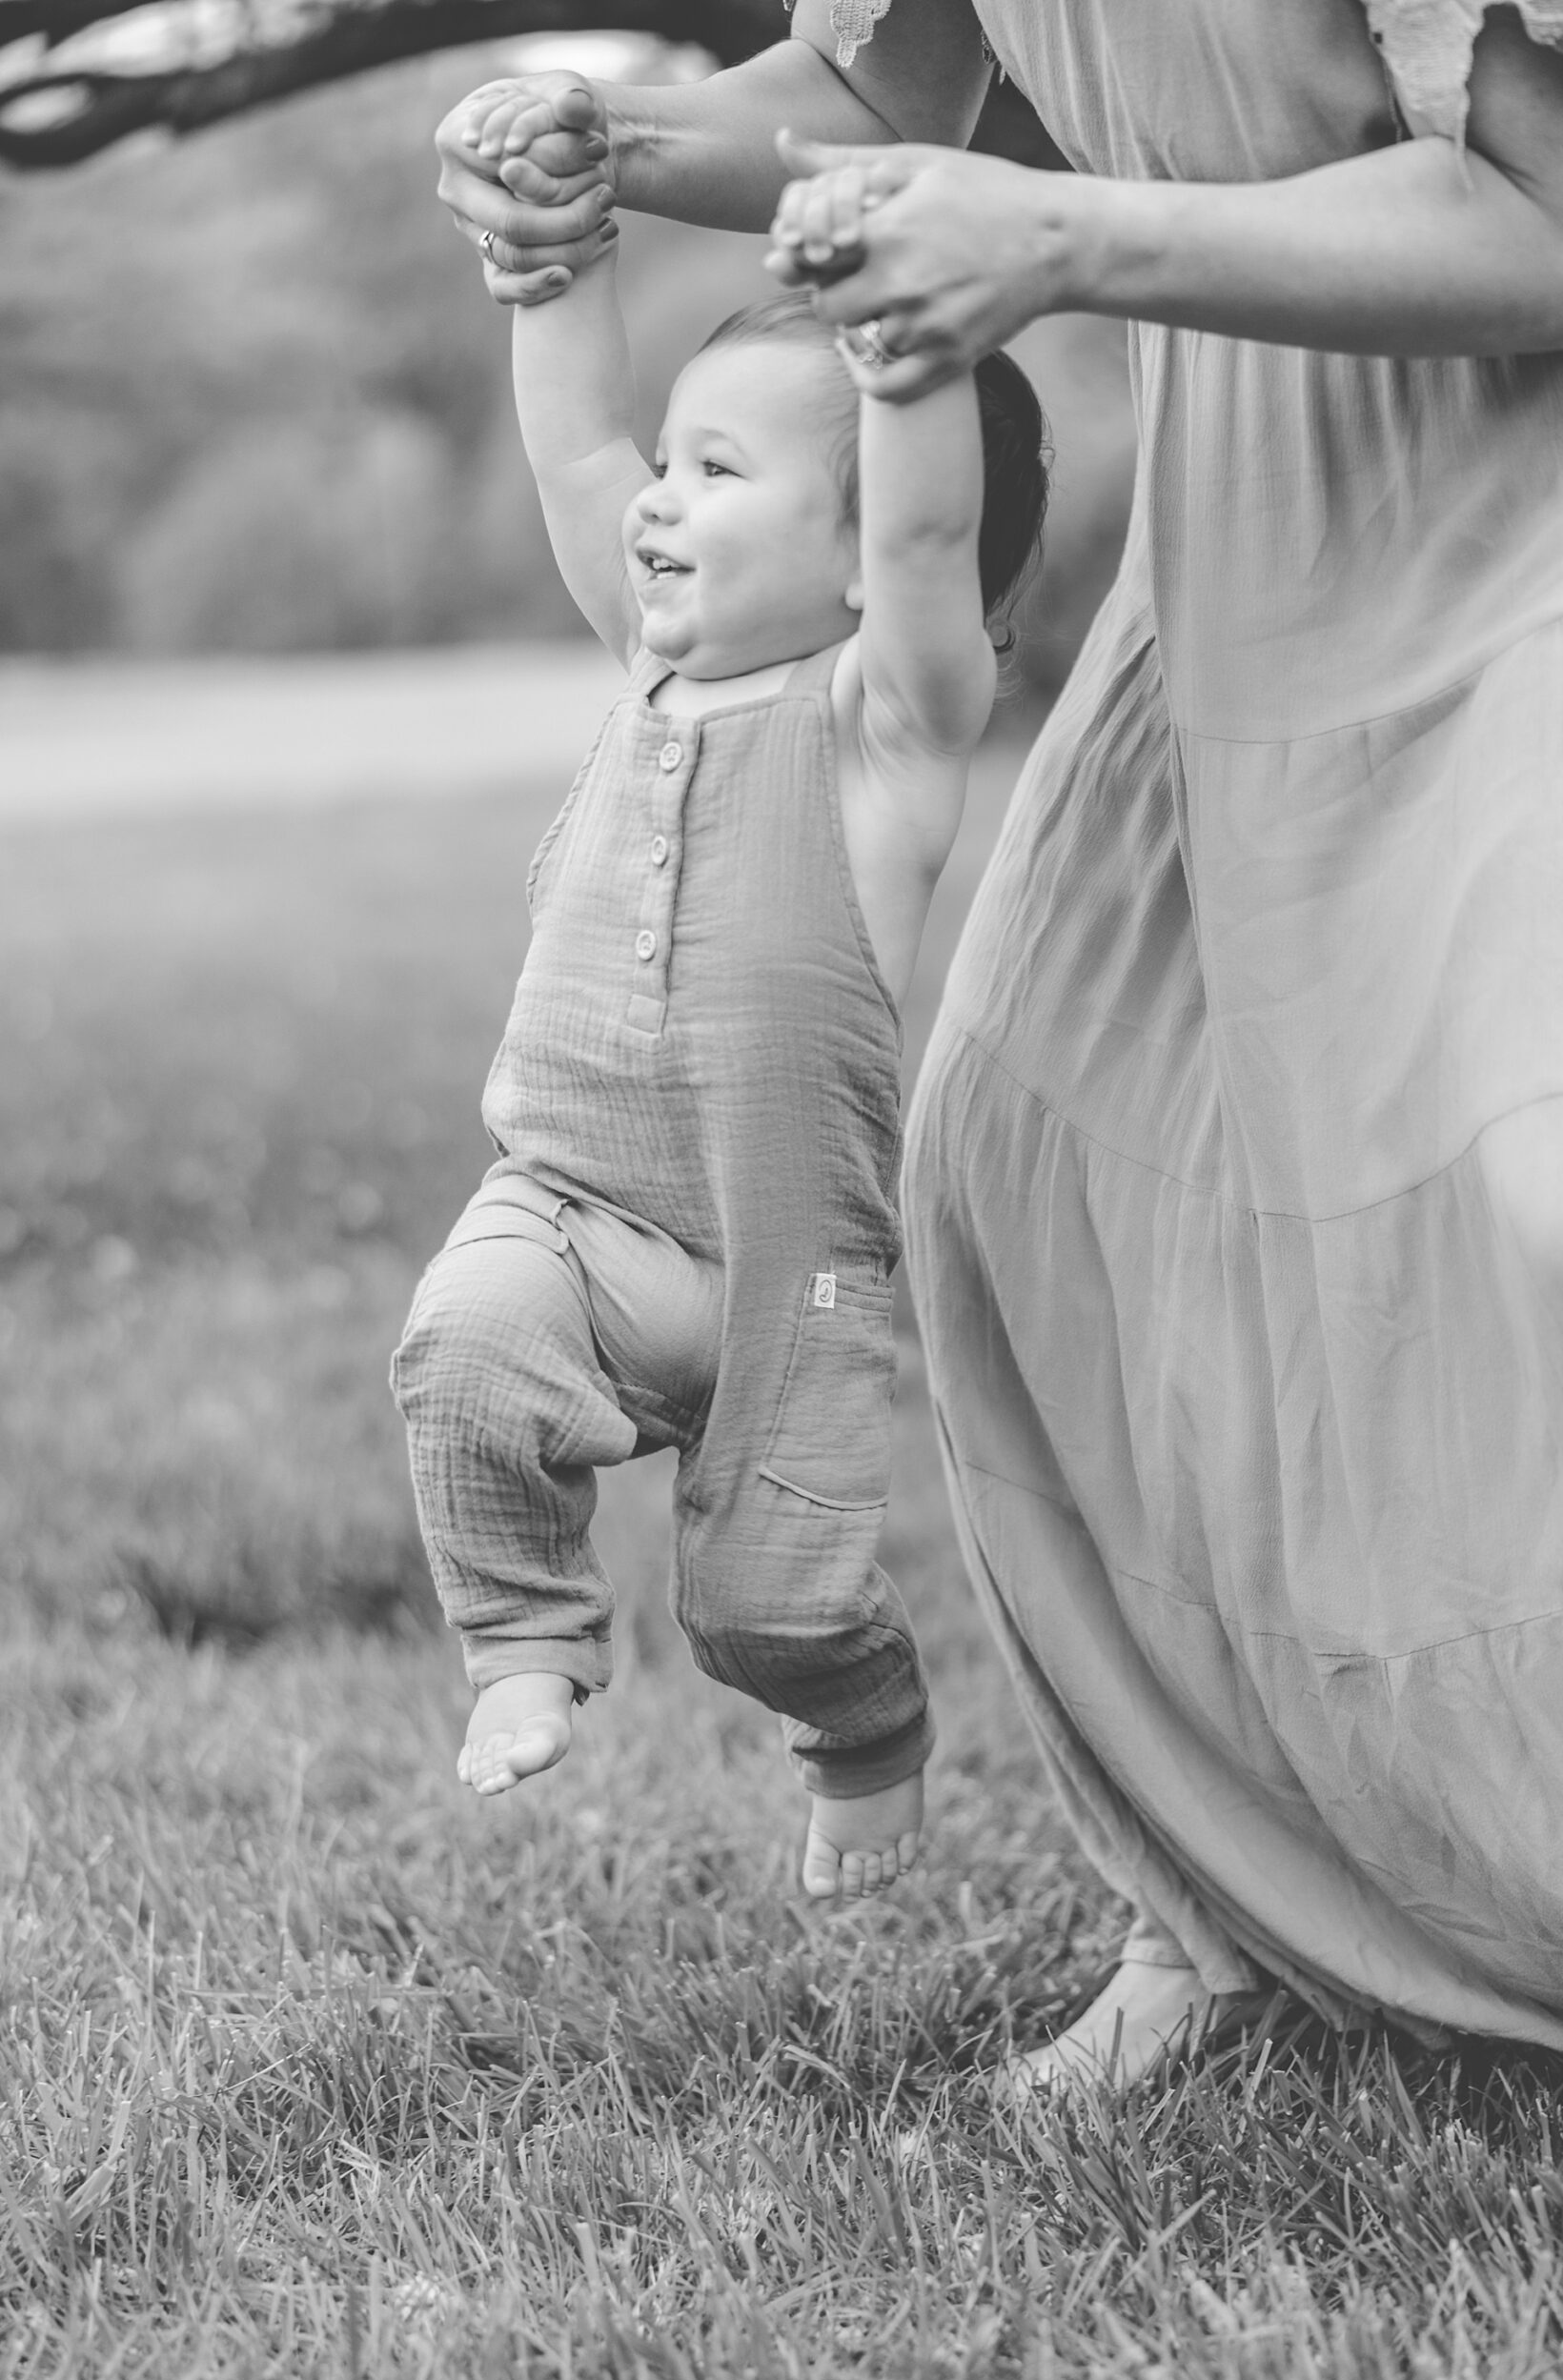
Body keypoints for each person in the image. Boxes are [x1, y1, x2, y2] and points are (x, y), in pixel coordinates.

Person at [436, 0, 1563, 2083]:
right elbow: (868, 113)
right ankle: (1217, 1907)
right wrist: (591, 148)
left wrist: (1060, 236)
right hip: (1241, 528)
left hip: (1559, 496)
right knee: (1029, 1166)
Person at [391, 103, 1049, 1906]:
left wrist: (903, 341)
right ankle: (524, 1639)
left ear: (853, 561)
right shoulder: (651, 662)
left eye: (722, 474)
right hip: (579, 1208)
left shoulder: (880, 733)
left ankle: (863, 1737)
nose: (662, 501)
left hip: (779, 1258)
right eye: (674, 469)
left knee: (776, 1597)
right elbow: (576, 447)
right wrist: (553, 258)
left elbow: (922, 556)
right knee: (460, 1348)